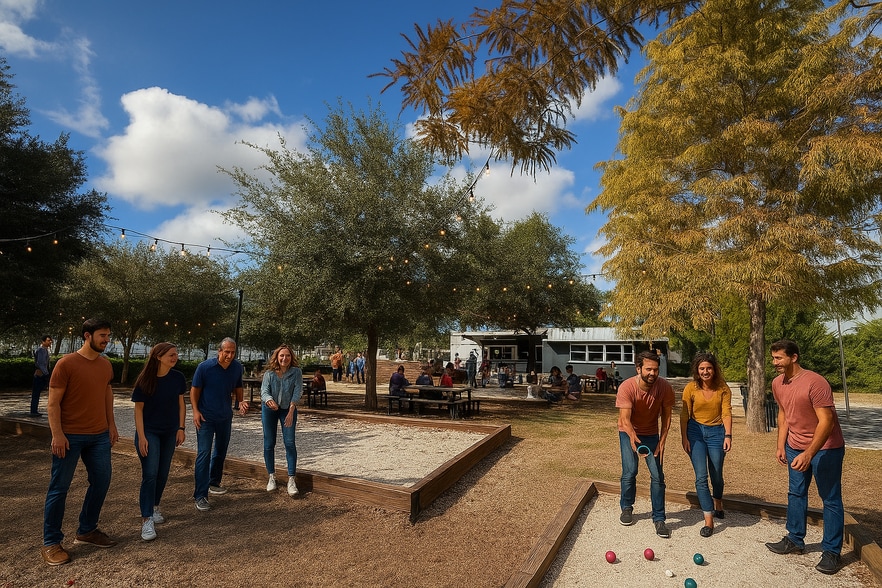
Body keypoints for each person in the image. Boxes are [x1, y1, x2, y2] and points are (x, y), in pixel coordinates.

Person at [41, 318, 118, 566]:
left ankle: (87, 530)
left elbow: (107, 392)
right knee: (59, 489)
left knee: (102, 481)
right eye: (102, 336)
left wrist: (112, 425)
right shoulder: (66, 364)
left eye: (108, 335)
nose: (106, 340)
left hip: (98, 436)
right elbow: (53, 403)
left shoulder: (106, 366)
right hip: (69, 436)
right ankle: (51, 542)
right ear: (87, 336)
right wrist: (57, 434)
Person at [765, 339, 845, 575]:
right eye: (773, 358)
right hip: (794, 446)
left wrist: (810, 453)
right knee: (796, 492)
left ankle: (832, 552)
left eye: (779, 358)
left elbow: (827, 421)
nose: (775, 362)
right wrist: (781, 445)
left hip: (825, 449)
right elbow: (783, 414)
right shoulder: (777, 383)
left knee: (830, 499)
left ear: (794, 357)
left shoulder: (815, 382)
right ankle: (795, 539)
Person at [131, 342, 187, 541]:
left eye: (176, 354)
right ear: (158, 357)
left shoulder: (178, 378)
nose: (175, 357)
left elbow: (181, 404)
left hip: (170, 432)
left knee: (163, 473)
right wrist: (142, 436)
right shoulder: (145, 380)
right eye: (171, 354)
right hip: (149, 432)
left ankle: (155, 506)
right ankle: (146, 520)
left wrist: (181, 428)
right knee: (150, 473)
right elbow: (138, 410)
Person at [616, 350, 675, 538]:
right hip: (628, 431)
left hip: (651, 434)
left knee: (657, 476)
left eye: (656, 370)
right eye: (648, 369)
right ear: (638, 368)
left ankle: (659, 519)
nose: (652, 373)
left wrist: (662, 442)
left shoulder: (664, 387)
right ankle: (626, 507)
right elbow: (625, 419)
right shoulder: (627, 387)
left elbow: (667, 417)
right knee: (630, 470)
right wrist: (633, 438)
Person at [190, 337, 247, 512]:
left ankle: (214, 482)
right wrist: (195, 411)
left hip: (225, 417)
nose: (230, 355)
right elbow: (194, 391)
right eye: (227, 352)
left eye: (233, 352)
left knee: (220, 451)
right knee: (204, 454)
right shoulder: (205, 368)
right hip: (206, 418)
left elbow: (238, 387)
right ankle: (200, 495)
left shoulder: (237, 367)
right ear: (219, 351)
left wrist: (241, 401)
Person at [680, 352, 732, 538]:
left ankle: (718, 500)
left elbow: (726, 412)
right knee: (701, 477)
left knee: (716, 473)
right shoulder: (691, 388)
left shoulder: (723, 388)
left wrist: (728, 435)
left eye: (708, 368)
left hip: (717, 432)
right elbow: (684, 414)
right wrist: (684, 437)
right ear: (697, 370)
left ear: (714, 369)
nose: (705, 371)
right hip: (695, 432)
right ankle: (709, 520)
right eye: (701, 368)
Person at [260, 344, 303, 497]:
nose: (285, 358)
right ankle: (271, 476)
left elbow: (298, 391)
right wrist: (269, 400)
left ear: (292, 358)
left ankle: (292, 479)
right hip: (269, 409)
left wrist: (291, 411)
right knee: (269, 443)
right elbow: (264, 391)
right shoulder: (269, 374)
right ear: (277, 357)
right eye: (282, 356)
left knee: (290, 442)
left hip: (288, 409)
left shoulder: (296, 372)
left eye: (288, 356)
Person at [31, 334, 53, 416]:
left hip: (43, 373)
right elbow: (40, 363)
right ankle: (33, 411)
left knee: (38, 393)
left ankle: (34, 410)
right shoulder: (41, 350)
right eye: (48, 340)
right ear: (43, 341)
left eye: (50, 340)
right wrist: (46, 373)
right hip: (40, 374)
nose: (50, 342)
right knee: (36, 393)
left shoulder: (45, 350)